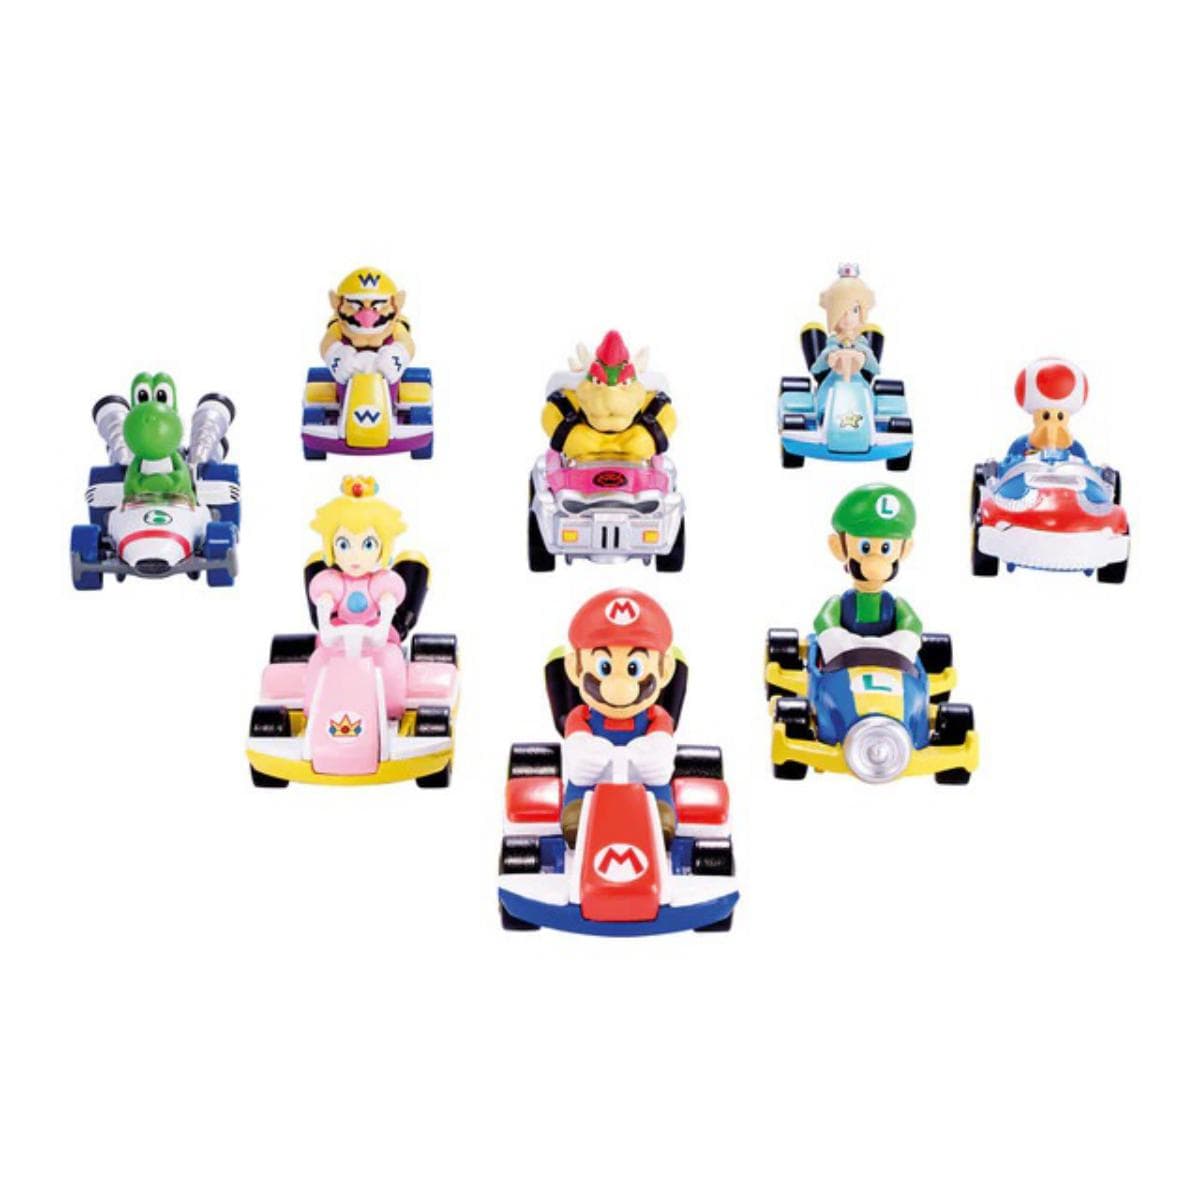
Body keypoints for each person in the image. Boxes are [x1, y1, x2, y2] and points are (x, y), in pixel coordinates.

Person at [560, 589, 679, 846]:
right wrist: (588, 755)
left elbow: (660, 754)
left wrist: (650, 755)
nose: (619, 685)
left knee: (661, 804)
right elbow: (578, 755)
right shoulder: (580, 716)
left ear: (665, 670)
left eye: (634, 668)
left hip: (646, 785)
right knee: (576, 807)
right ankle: (578, 820)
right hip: (590, 785)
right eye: (604, 668)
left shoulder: (657, 717)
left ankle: (659, 821)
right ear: (574, 667)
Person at [305, 476, 410, 716]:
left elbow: (388, 603)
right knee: (320, 661)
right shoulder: (332, 584)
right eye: (344, 545)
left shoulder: (380, 584)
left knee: (390, 663)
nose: (354, 556)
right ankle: (315, 708)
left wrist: (385, 618)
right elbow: (324, 604)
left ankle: (391, 708)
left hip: (375, 635)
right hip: (338, 637)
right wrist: (324, 613)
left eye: (368, 545)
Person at [813, 484, 921, 666]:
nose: (875, 563)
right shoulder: (840, 603)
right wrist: (834, 638)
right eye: (865, 548)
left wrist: (905, 639)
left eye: (886, 548)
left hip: (893, 661)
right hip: (843, 661)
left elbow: (912, 622)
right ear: (838, 547)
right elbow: (823, 620)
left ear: (905, 549)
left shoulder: (894, 605)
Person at [541, 331, 676, 461]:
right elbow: (552, 414)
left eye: (624, 382)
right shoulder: (569, 398)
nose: (611, 394)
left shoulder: (650, 401)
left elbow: (666, 418)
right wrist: (567, 434)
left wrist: (651, 436)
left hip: (635, 459)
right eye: (598, 381)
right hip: (581, 458)